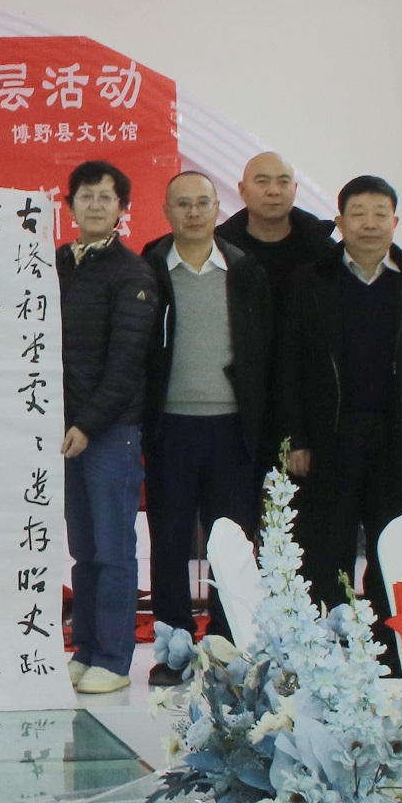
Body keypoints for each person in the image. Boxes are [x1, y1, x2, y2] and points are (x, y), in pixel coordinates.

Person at [275, 175, 402, 615]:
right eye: (358, 214)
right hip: (329, 437)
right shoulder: (309, 281)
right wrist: (296, 439)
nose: (370, 224)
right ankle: (329, 641)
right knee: (325, 549)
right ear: (340, 222)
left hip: (396, 439)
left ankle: (388, 642)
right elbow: (288, 366)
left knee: (392, 548)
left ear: (395, 222)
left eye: (380, 214)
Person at [141, 168, 273, 660]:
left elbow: (266, 353)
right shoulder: (149, 270)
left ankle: (226, 643)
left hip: (232, 427)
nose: (193, 213)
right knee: (170, 542)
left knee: (230, 543)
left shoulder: (246, 270)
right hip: (169, 426)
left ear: (218, 209)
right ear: (166, 211)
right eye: (183, 204)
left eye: (203, 203)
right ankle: (173, 647)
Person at [58, 161, 160, 695]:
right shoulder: (53, 264)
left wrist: (88, 424)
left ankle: (115, 660)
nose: (95, 204)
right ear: (69, 205)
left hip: (109, 431)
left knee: (113, 549)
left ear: (122, 208)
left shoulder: (132, 272)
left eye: (106, 196)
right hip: (64, 433)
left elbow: (126, 365)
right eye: (86, 195)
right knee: (82, 549)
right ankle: (86, 649)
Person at [215, 150, 336, 304]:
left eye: (283, 182)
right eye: (262, 181)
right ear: (242, 190)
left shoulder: (323, 249)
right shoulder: (219, 249)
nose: (274, 191)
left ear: (295, 189)